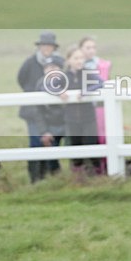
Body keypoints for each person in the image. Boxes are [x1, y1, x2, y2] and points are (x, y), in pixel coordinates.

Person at [17, 31, 64, 181]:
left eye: (49, 45)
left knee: (49, 142)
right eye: (44, 45)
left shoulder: (58, 62)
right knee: (36, 143)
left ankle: (51, 176)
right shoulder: (30, 62)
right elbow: (21, 79)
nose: (46, 48)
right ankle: (36, 178)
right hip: (32, 111)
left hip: (50, 112)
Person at [60, 44, 104, 180]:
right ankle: (78, 177)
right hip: (71, 119)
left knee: (92, 143)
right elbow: (47, 85)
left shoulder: (87, 73)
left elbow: (100, 83)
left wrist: (86, 92)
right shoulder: (64, 76)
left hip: (88, 117)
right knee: (75, 146)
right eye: (75, 58)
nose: (79, 61)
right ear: (68, 60)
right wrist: (58, 91)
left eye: (81, 58)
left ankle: (98, 175)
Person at [27, 55, 67, 183]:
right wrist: (44, 131)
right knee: (49, 152)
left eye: (54, 67)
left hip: (68, 123)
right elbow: (37, 110)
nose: (51, 70)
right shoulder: (41, 82)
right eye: (48, 67)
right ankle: (52, 179)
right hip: (51, 124)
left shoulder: (66, 81)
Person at [80, 36, 112, 173]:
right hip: (83, 108)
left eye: (93, 47)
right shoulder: (77, 64)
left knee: (102, 136)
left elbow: (103, 83)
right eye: (88, 47)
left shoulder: (103, 65)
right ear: (81, 49)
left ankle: (105, 167)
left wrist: (87, 91)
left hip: (99, 106)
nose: (91, 51)